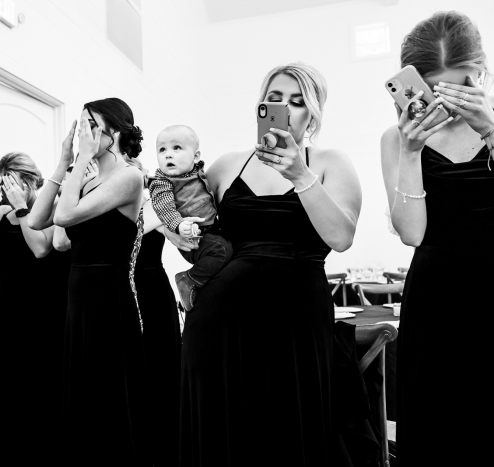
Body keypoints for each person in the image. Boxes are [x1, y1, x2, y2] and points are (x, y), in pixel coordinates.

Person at [178, 63, 362, 466]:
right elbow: (201, 246)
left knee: (291, 427)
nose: (283, 108)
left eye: (296, 102)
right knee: (225, 431)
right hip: (220, 323)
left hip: (296, 320)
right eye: (273, 99)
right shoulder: (227, 166)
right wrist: (179, 229)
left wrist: (300, 174)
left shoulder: (331, 162)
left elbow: (341, 237)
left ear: (312, 114)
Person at [380, 11, 494, 465]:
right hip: (438, 300)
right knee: (441, 434)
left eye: (463, 84)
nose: (452, 101)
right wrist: (410, 151)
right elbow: (412, 231)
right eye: (438, 89)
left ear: (479, 71)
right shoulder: (395, 138)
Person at [53, 98, 147, 465]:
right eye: (81, 126)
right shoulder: (93, 177)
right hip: (78, 294)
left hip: (107, 295)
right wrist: (66, 165)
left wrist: (76, 170)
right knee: (83, 389)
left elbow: (64, 215)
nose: (83, 134)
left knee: (107, 388)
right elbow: (57, 236)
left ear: (115, 131)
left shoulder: (129, 176)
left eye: (91, 125)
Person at [0, 152, 58, 466]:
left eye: (17, 181)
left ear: (30, 180)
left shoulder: (48, 209)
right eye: (5, 181)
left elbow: (40, 248)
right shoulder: (0, 216)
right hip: (4, 307)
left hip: (38, 308)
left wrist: (23, 208)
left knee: (34, 382)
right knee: (2, 382)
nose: (11, 187)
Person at [131, 158, 182, 467]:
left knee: (161, 362)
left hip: (152, 286)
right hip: (123, 286)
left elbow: (183, 241)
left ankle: (167, 443)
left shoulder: (155, 205)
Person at [149, 125, 233, 311]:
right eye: (162, 149)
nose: (168, 155)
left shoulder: (198, 173)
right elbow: (165, 208)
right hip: (193, 235)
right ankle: (188, 279)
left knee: (232, 249)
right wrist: (178, 226)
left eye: (176, 148)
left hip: (212, 228)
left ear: (195, 157)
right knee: (221, 251)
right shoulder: (162, 182)